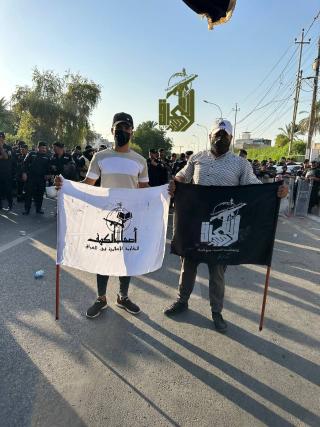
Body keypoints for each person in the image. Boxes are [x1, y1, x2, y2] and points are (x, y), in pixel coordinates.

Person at [164, 118, 288, 332]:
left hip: (221, 229)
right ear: (210, 136)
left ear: (231, 139)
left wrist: (275, 191)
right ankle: (182, 301)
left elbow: (255, 188)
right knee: (188, 267)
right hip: (196, 225)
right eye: (217, 134)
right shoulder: (197, 158)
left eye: (225, 135)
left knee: (217, 272)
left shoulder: (241, 164)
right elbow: (183, 176)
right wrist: (175, 181)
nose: (220, 138)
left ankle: (216, 311)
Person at [55, 112, 149, 318]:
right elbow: (87, 186)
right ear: (112, 130)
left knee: (128, 259)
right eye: (119, 127)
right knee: (103, 256)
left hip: (129, 219)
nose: (122, 131)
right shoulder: (101, 157)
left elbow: (145, 191)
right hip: (105, 216)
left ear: (132, 131)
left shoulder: (140, 161)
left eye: (126, 127)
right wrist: (66, 187)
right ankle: (101, 298)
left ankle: (122, 297)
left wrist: (165, 194)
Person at [22, 141, 51, 215]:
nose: (44, 149)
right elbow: (25, 164)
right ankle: (27, 209)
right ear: (38, 148)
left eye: (45, 148)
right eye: (42, 148)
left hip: (41, 179)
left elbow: (49, 168)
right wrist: (24, 173)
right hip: (31, 178)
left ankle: (38, 209)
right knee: (29, 194)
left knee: (40, 194)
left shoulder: (47, 156)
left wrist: (48, 174)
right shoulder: (31, 154)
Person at [0, 132, 13, 210]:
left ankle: (10, 204)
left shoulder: (8, 147)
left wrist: (1, 148)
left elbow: (6, 157)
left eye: (1, 138)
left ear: (4, 139)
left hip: (7, 172)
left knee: (8, 189)